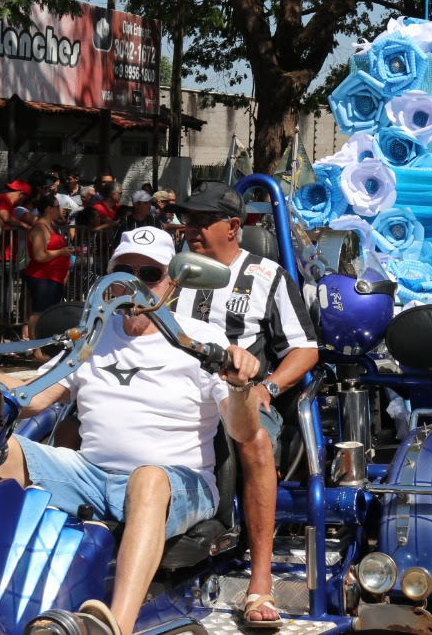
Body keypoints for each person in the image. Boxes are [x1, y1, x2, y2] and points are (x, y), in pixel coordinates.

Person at [0, 227, 263, 635]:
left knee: (148, 479)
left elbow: (241, 430)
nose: (134, 285)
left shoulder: (201, 339)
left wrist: (241, 387)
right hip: (91, 476)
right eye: (124, 272)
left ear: (172, 283)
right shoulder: (93, 334)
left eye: (149, 275)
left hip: (177, 484)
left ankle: (118, 626)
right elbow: (31, 399)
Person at [169, 181, 318, 627]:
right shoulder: (173, 272)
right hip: (177, 391)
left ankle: (260, 582)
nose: (189, 228)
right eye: (185, 220)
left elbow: (305, 349)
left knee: (253, 444)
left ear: (234, 226)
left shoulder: (268, 276)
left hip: (244, 394)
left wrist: (266, 388)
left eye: (200, 220)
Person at [22, 194, 72, 338]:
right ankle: (35, 347)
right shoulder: (40, 228)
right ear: (49, 209)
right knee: (38, 312)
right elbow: (39, 255)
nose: (60, 210)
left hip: (54, 277)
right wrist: (62, 251)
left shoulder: (52, 226)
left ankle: (44, 344)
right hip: (42, 277)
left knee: (48, 312)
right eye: (58, 207)